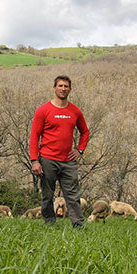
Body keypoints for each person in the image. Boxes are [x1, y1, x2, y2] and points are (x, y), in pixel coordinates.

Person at [29, 75, 90, 228]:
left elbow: (85, 132)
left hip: (68, 161)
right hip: (47, 159)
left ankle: (78, 226)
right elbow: (34, 136)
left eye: (66, 86)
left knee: (73, 196)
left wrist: (80, 150)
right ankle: (49, 224)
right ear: (54, 88)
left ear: (70, 89)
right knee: (47, 195)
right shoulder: (43, 110)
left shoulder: (75, 111)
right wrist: (34, 160)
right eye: (60, 86)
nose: (63, 89)